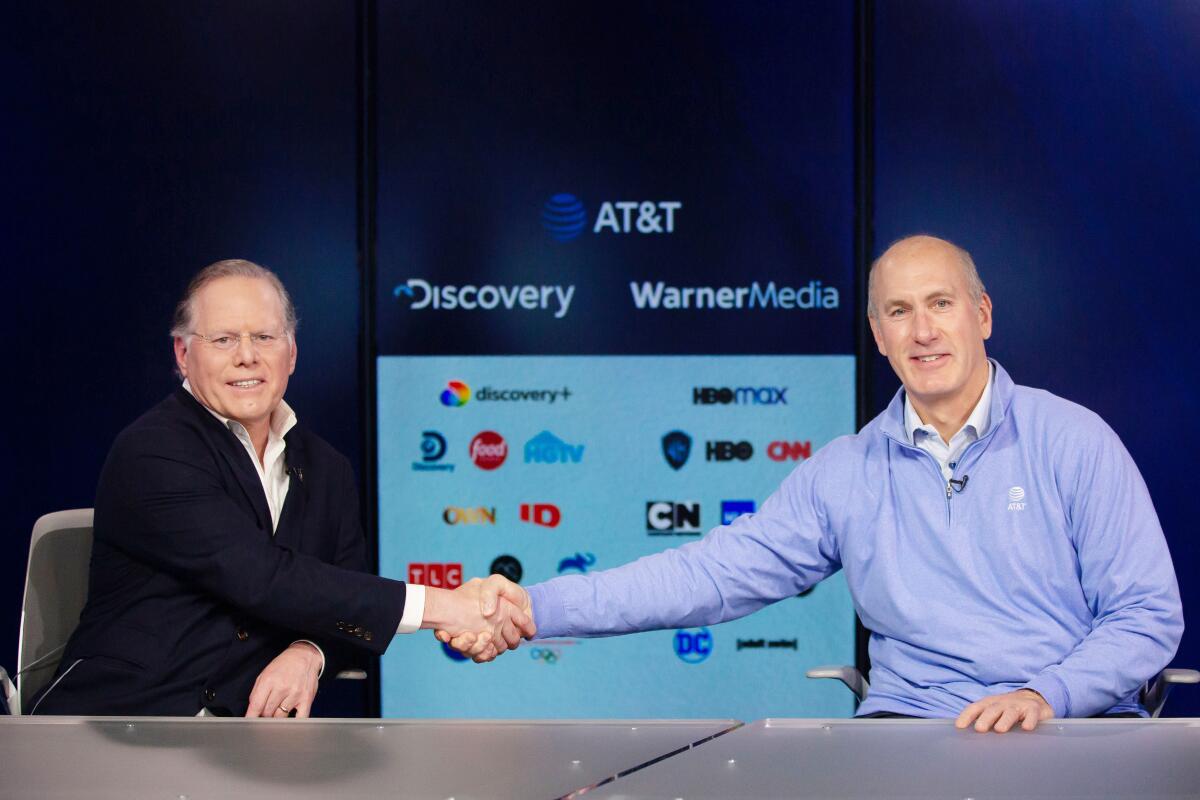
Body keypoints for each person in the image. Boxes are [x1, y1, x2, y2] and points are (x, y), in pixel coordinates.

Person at [448, 235, 1184, 733]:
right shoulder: (846, 471)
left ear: (982, 314)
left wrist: (1043, 696)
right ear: (878, 334)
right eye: (900, 312)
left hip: (1067, 732)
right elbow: (710, 573)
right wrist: (537, 606)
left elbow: (1147, 617)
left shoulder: (1075, 441)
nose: (923, 330)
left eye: (941, 304)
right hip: (909, 737)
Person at [33, 259, 531, 717]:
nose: (247, 357)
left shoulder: (328, 467)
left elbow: (344, 595)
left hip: (252, 740)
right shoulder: (151, 451)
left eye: (265, 338)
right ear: (183, 354)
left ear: (291, 353)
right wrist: (447, 606)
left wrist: (309, 653)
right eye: (223, 339)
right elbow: (261, 577)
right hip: (122, 726)